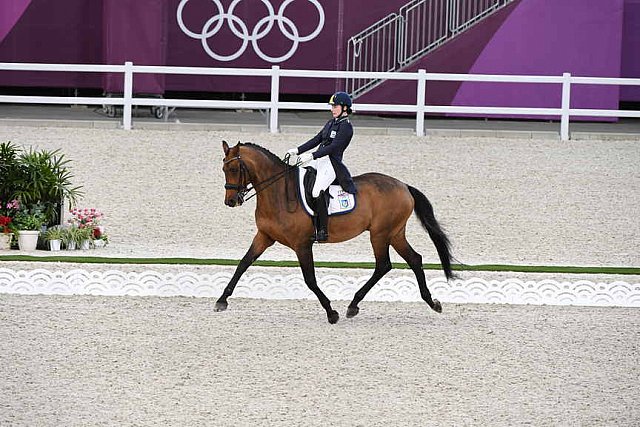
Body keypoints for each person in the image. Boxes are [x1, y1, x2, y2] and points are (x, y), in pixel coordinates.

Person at [286, 91, 357, 242]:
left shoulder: (346, 128)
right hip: (319, 159)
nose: (332, 109)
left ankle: (322, 230)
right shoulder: (332, 122)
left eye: (335, 106)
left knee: (317, 191)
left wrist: (312, 156)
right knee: (298, 174)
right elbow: (317, 139)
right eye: (332, 106)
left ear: (345, 108)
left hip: (331, 163)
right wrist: (298, 150)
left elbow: (333, 147)